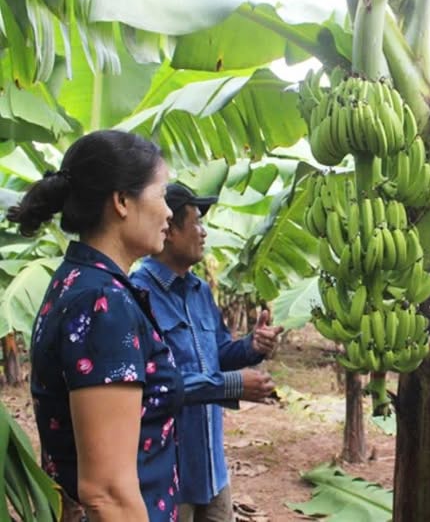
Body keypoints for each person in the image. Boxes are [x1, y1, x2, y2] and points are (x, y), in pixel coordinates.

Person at [7, 130, 181, 521]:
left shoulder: (79, 281)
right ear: (121, 201)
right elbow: (107, 493)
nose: (169, 211)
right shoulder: (103, 304)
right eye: (162, 194)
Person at [131, 183, 282, 522]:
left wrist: (251, 346)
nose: (204, 233)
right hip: (167, 476)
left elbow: (217, 353)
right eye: (196, 222)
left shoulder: (199, 291)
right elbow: (157, 384)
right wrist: (231, 384)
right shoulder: (138, 295)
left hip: (212, 470)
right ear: (168, 229)